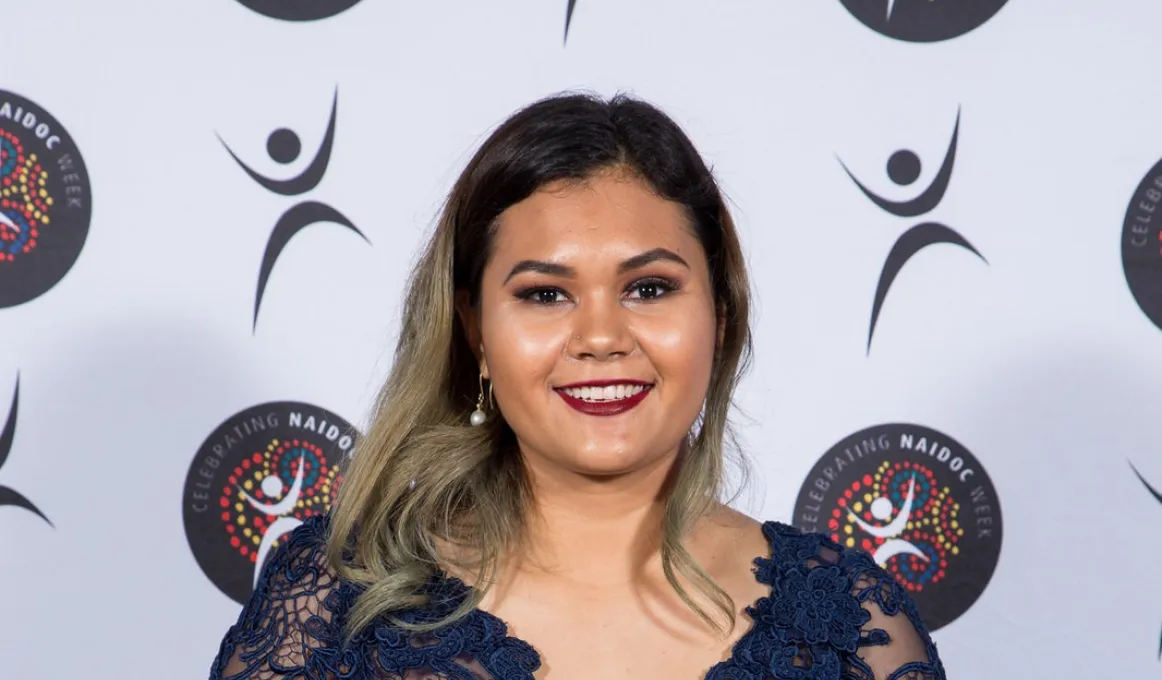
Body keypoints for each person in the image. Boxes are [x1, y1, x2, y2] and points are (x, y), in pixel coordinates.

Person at [207, 92, 948, 680]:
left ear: (719, 316)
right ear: (475, 330)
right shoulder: (338, 603)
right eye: (544, 294)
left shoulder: (854, 629)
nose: (600, 336)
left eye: (650, 288)